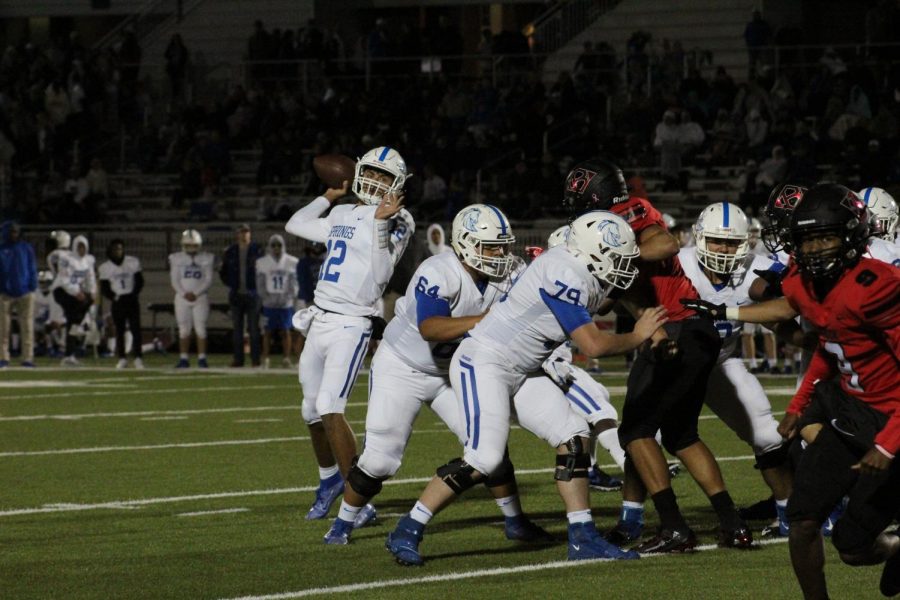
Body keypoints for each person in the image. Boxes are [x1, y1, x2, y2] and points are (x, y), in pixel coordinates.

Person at [385, 210, 667, 566]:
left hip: (523, 368)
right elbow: (592, 345)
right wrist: (639, 334)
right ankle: (408, 528)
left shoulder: (580, 270)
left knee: (575, 434)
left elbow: (596, 305)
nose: (622, 265)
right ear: (592, 251)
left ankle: (582, 536)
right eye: (616, 257)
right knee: (484, 458)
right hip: (485, 361)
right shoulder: (564, 272)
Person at [681, 183, 900, 599]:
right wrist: (800, 405)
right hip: (852, 411)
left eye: (825, 237)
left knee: (853, 548)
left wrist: (889, 445)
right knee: (801, 518)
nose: (815, 249)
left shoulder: (879, 286)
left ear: (852, 236)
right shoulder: (804, 280)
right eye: (807, 240)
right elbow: (826, 338)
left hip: (892, 419)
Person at [323, 204, 551, 545]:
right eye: (491, 247)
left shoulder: (509, 272)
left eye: (503, 246)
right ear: (465, 244)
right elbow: (431, 327)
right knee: (380, 460)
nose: (501, 254)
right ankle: (342, 523)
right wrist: (489, 318)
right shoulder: (438, 270)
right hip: (402, 366)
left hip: (453, 372)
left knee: (489, 447)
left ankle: (515, 520)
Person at [562, 158, 752, 553]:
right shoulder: (606, 236)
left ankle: (673, 525)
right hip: (687, 327)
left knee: (635, 432)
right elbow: (617, 299)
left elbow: (665, 243)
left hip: (679, 325)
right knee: (682, 435)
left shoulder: (625, 215)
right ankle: (733, 524)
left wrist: (620, 259)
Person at [285, 146, 414, 520]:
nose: (374, 181)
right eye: (370, 173)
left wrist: (379, 223)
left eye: (383, 177)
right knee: (310, 410)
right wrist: (328, 195)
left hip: (351, 323)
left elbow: (378, 277)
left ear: (397, 184)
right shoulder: (342, 211)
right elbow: (295, 224)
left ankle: (358, 501)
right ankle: (329, 480)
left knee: (329, 406)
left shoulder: (400, 219)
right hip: (319, 318)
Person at [678, 203, 793, 538]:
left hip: (721, 364)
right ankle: (633, 520)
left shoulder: (755, 269)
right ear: (699, 238)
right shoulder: (678, 264)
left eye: (730, 243)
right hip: (673, 369)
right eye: (716, 241)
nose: (723, 249)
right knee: (643, 438)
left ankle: (788, 514)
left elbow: (788, 296)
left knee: (767, 437)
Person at [169, 229, 215, 368]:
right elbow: (174, 280)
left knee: (201, 329)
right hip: (182, 298)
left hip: (200, 297)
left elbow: (208, 279)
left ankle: (202, 358)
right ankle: (184, 358)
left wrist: (196, 292)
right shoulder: (176, 258)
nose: (191, 248)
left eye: (194, 245)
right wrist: (184, 294)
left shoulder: (206, 258)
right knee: (184, 329)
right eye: (189, 245)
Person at [219, 223, 264, 367]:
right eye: (241, 232)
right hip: (236, 294)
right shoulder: (231, 251)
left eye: (246, 232)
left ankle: (255, 360)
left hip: (253, 294)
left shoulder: (258, 250)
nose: (244, 234)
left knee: (253, 329)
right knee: (237, 330)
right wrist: (232, 285)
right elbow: (223, 272)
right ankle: (238, 359)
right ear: (237, 234)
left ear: (250, 233)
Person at [98, 239, 144, 369]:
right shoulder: (105, 267)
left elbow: (140, 281)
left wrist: (134, 294)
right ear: (110, 250)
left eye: (120, 249)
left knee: (135, 329)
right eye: (115, 249)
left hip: (131, 299)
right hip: (118, 301)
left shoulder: (132, 262)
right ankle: (122, 358)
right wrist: (114, 297)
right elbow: (105, 288)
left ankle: (138, 357)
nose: (118, 251)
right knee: (119, 330)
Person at [52, 235, 96, 366]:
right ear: (74, 246)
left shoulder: (88, 261)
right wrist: (77, 292)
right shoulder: (66, 258)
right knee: (75, 314)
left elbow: (91, 278)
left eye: (83, 247)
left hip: (76, 293)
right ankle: (77, 325)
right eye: (79, 246)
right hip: (61, 290)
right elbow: (64, 279)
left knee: (74, 320)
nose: (81, 249)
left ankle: (69, 354)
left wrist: (92, 292)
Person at [255, 234, 298, 369]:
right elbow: (260, 283)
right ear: (269, 246)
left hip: (285, 303)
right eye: (273, 245)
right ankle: (265, 358)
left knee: (286, 331)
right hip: (269, 303)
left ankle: (286, 358)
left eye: (279, 245)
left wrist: (289, 297)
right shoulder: (262, 262)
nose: (276, 248)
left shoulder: (291, 261)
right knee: (267, 332)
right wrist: (266, 297)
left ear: (283, 246)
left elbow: (294, 283)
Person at [0, 221, 38, 368]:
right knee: (3, 327)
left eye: (16, 232)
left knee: (27, 326)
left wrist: (32, 286)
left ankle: (27, 358)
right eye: (11, 232)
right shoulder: (1, 249)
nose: (14, 234)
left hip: (25, 292)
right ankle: (3, 357)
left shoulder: (26, 248)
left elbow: (32, 267)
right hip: (4, 293)